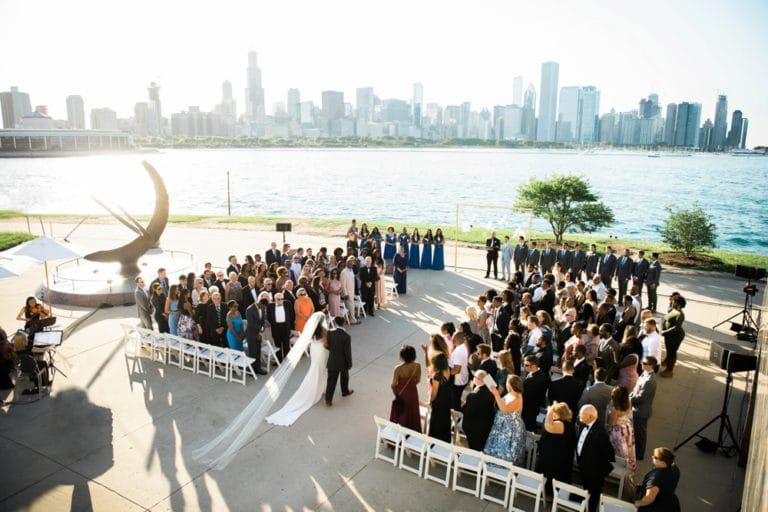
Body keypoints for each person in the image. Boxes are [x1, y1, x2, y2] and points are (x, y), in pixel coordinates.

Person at [265, 313, 329, 425]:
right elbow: (326, 343)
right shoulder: (324, 330)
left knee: (315, 369)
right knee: (321, 370)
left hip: (314, 349)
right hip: (321, 350)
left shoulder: (312, 329)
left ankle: (320, 388)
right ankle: (319, 389)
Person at [576, 404, 616, 512]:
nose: (579, 415)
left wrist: (596, 463)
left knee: (593, 496)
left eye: (582, 414)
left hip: (594, 471)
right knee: (586, 491)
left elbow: (610, 453)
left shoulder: (600, 432)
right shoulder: (583, 424)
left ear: (590, 417)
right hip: (585, 467)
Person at [537, 401, 577, 499]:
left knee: (551, 477)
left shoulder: (561, 423)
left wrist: (549, 411)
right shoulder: (565, 424)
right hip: (554, 458)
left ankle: (550, 495)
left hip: (555, 460)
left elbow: (548, 426)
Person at [484, 374, 527, 465]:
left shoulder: (517, 397)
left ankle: (503, 473)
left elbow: (505, 409)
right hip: (502, 427)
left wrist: (496, 394)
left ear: (510, 385)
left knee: (505, 451)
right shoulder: (511, 393)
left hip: (510, 431)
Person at [606, 385, 636, 498]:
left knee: (618, 451)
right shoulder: (628, 402)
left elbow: (611, 424)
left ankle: (618, 469)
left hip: (618, 433)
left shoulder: (615, 409)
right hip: (627, 428)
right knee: (628, 448)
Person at [635, 447, 681, 511]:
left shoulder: (655, 478)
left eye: (655, 457)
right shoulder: (675, 469)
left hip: (656, 507)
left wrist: (637, 503)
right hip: (669, 502)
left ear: (663, 462)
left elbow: (649, 499)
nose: (652, 457)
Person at [461, 369, 496, 450]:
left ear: (478, 380)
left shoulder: (473, 396)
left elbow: (466, 411)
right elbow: (490, 382)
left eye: (474, 377)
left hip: (474, 428)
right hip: (487, 425)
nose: (473, 378)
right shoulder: (492, 388)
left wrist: (464, 404)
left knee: (474, 448)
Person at [631, 356, 658, 461]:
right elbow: (636, 389)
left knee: (640, 434)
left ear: (651, 366)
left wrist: (629, 400)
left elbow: (641, 397)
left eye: (645, 363)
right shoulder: (644, 374)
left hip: (641, 411)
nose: (642, 364)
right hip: (637, 409)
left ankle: (639, 454)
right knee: (637, 432)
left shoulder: (649, 381)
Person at [390, 344, 422, 431]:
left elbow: (393, 384)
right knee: (413, 413)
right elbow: (418, 380)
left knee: (401, 413)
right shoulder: (417, 366)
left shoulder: (398, 369)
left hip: (402, 394)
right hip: (412, 392)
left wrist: (396, 392)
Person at [325, 316, 353, 405]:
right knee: (344, 377)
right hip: (343, 362)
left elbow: (328, 346)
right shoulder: (347, 336)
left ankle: (328, 400)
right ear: (344, 323)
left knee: (331, 381)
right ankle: (345, 392)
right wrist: (349, 363)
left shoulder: (330, 333)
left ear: (335, 323)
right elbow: (347, 352)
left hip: (332, 361)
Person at [428, 352, 453, 442]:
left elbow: (434, 393)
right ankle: (445, 440)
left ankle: (435, 440)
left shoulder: (437, 376)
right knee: (445, 419)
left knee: (436, 420)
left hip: (439, 399)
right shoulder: (448, 369)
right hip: (446, 397)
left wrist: (431, 401)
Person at [660, 295, 686, 378]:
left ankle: (669, 370)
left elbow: (676, 328)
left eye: (674, 301)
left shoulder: (680, 314)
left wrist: (664, 331)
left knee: (672, 352)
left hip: (675, 336)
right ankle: (667, 362)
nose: (672, 302)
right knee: (669, 350)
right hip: (669, 335)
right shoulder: (673, 310)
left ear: (678, 304)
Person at [522, 354, 548, 431]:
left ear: (533, 366)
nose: (524, 366)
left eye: (526, 365)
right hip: (532, 406)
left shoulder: (536, 379)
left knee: (528, 427)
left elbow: (526, 395)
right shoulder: (536, 373)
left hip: (530, 408)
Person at [268, 292, 295, 362]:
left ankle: (287, 360)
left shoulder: (288, 304)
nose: (280, 300)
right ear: (275, 299)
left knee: (286, 344)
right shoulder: (270, 306)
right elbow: (269, 317)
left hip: (285, 326)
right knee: (277, 345)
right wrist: (274, 324)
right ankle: (279, 360)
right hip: (276, 327)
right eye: (278, 299)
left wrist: (290, 326)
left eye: (281, 299)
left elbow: (292, 315)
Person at [245, 294, 269, 375]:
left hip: (258, 333)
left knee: (258, 351)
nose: (264, 309)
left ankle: (258, 368)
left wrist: (260, 333)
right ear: (259, 303)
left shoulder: (262, 308)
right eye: (263, 307)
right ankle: (252, 370)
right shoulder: (249, 309)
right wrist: (261, 329)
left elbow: (262, 321)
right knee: (252, 352)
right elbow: (251, 324)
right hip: (251, 334)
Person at [340, 256, 358, 325]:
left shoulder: (351, 270)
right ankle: (353, 320)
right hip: (347, 293)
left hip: (351, 291)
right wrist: (345, 294)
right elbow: (343, 284)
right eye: (349, 263)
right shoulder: (344, 272)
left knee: (350, 306)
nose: (351, 264)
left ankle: (349, 319)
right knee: (351, 306)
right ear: (346, 264)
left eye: (352, 263)